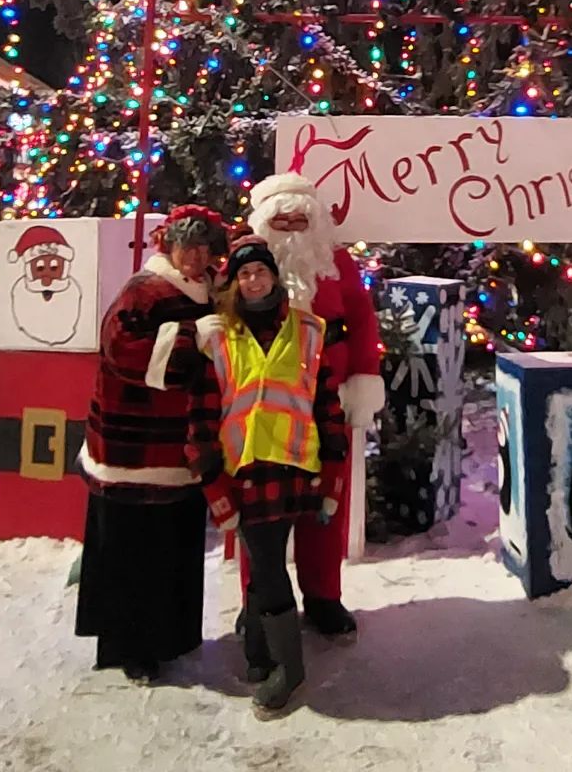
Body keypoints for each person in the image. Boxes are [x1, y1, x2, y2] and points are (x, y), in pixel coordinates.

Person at [188, 237, 348, 717]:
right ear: (234, 284)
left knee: (267, 564)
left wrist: (334, 479)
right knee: (265, 563)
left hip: (297, 468)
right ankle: (268, 654)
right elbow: (199, 418)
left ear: (275, 277)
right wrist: (214, 486)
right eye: (244, 275)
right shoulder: (217, 336)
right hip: (247, 472)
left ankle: (282, 666)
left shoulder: (310, 330)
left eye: (260, 272)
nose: (254, 280)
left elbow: (327, 407)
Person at [75, 205, 229, 683]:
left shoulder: (208, 293)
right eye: (187, 246)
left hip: (177, 449)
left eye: (204, 248)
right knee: (131, 552)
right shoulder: (142, 291)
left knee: (172, 550)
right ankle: (130, 646)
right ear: (169, 246)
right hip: (133, 449)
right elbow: (122, 351)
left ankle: (169, 636)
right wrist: (189, 338)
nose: (195, 256)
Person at [246, 172, 384, 636]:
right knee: (260, 509)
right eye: (281, 220)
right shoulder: (247, 265)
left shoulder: (337, 262)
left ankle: (324, 595)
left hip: (331, 401)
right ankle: (259, 600)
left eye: (299, 219)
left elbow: (362, 321)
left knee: (326, 504)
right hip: (261, 407)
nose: (291, 227)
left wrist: (364, 378)